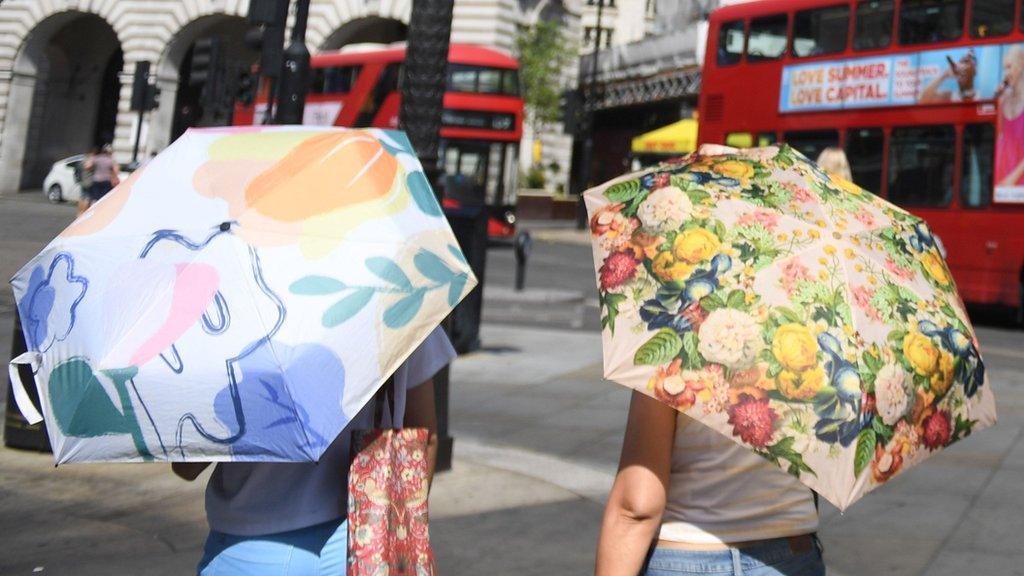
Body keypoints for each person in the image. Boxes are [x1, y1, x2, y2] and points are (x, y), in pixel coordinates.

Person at [594, 145, 825, 576]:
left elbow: (638, 505)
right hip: (790, 556)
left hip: (687, 556)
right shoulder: (813, 322)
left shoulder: (679, 324)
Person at [173, 327, 455, 575]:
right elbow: (424, 438)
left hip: (249, 546)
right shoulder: (398, 303)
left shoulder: (232, 317)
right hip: (365, 544)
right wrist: (402, 532)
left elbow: (186, 466)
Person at [996, 46, 1024, 189]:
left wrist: (1010, 180)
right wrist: (997, 101)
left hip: (1017, 178)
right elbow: (997, 135)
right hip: (1002, 172)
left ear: (1020, 65)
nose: (1006, 73)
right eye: (1004, 68)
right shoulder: (1004, 98)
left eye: (1009, 67)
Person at [80, 143, 120, 214]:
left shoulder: (97, 158)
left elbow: (87, 166)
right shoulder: (111, 160)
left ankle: (91, 213)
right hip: (106, 181)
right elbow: (116, 171)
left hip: (96, 180)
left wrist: (92, 169)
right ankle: (100, 213)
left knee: (94, 198)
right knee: (103, 199)